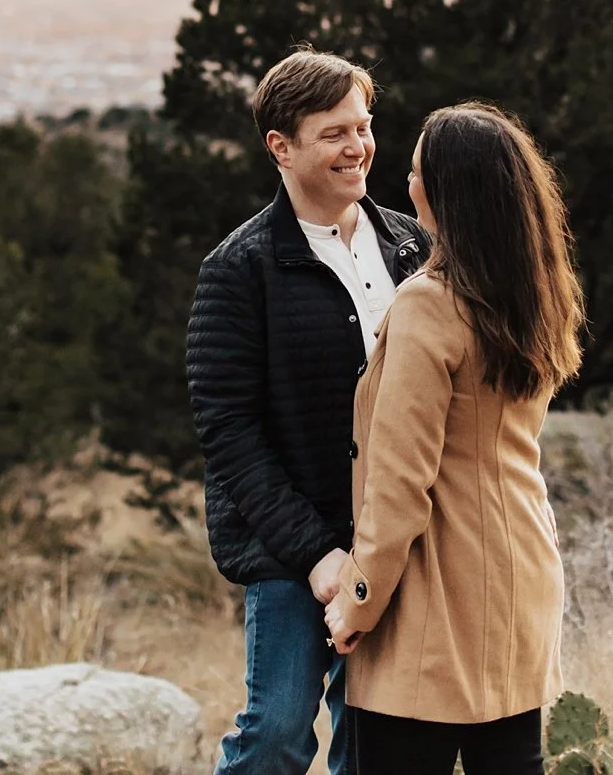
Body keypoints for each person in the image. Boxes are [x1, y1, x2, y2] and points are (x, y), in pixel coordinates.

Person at [189, 50, 432, 775]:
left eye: (363, 125)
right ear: (281, 146)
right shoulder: (238, 268)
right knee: (277, 734)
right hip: (287, 546)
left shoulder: (413, 248)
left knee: (373, 741)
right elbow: (228, 431)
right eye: (334, 132)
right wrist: (316, 554)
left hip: (391, 539)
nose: (358, 146)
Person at [323, 102, 584, 775]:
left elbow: (401, 484)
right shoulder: (538, 293)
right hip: (523, 572)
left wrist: (358, 599)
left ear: (444, 192)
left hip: (437, 594)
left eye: (415, 172)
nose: (406, 183)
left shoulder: (429, 302)